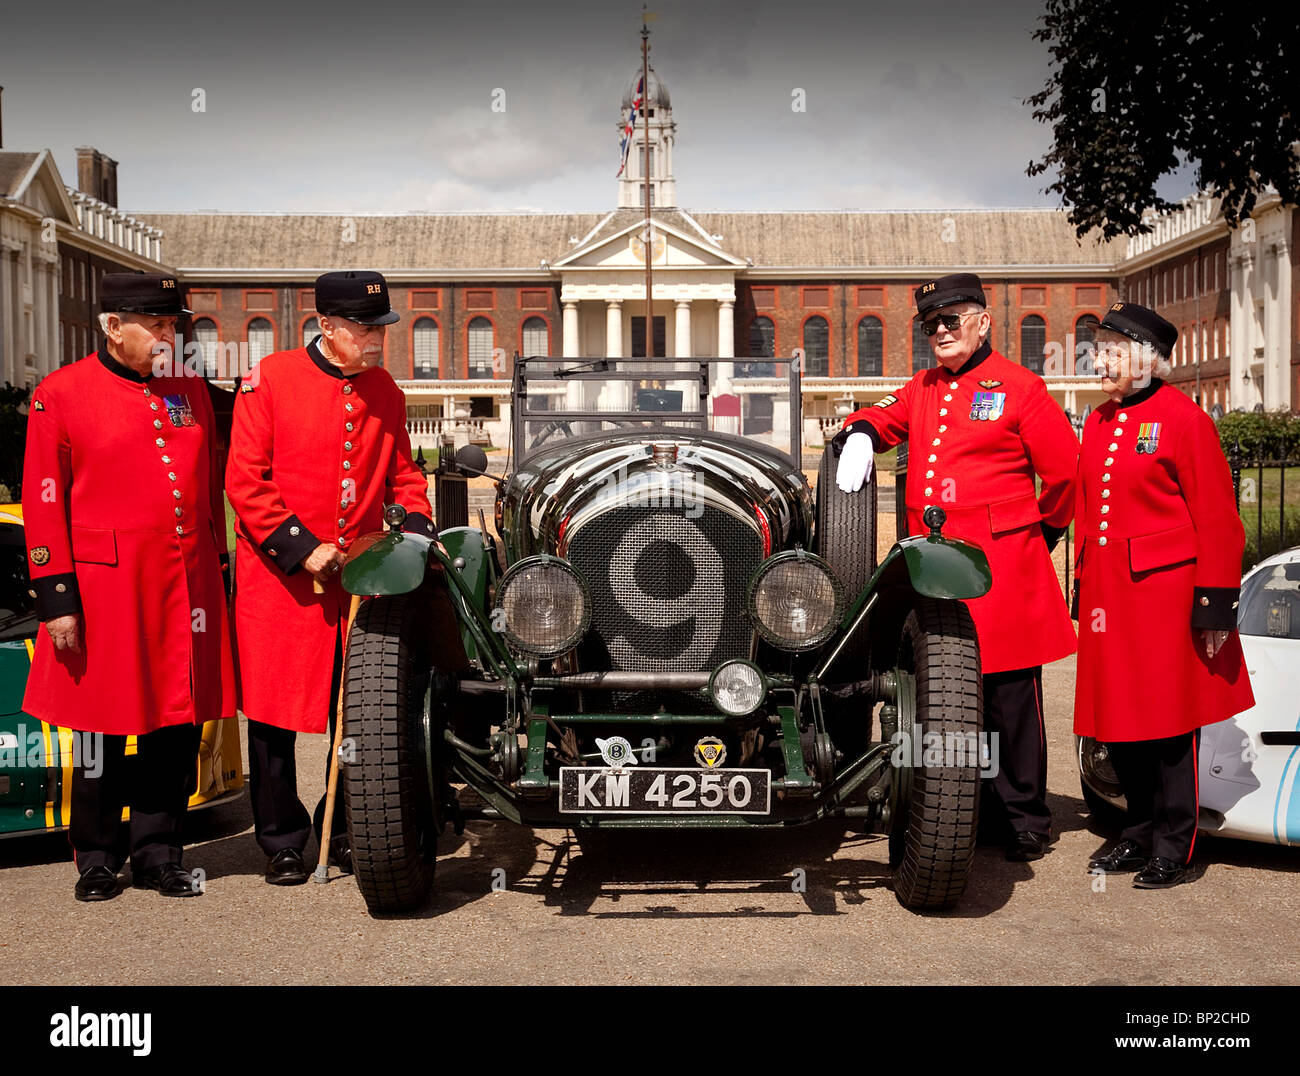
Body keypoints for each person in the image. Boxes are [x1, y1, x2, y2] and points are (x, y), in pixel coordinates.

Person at [833, 273, 1079, 861]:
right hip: (937, 572)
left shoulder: (1020, 387)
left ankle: (1025, 815)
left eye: (952, 319)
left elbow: (1067, 473)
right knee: (950, 694)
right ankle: (970, 806)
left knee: (1009, 694)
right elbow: (885, 415)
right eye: (931, 324)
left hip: (1001, 566)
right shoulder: (923, 386)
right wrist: (863, 431)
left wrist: (1039, 535)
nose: (940, 331)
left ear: (983, 322)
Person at [22, 272, 235, 900]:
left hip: (181, 586)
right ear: (114, 327)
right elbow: (42, 500)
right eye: (158, 326)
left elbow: (204, 489)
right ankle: (96, 855)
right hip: (103, 587)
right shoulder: (60, 395)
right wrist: (57, 597)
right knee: (101, 730)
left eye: (174, 326)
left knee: (174, 724)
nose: (170, 337)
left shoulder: (188, 389)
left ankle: (159, 853)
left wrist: (215, 570)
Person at [226, 270, 435, 885]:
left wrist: (415, 531)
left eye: (381, 328)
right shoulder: (269, 380)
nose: (376, 340)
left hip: (360, 579)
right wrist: (300, 545)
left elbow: (404, 475)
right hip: (281, 578)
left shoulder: (386, 390)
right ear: (326, 327)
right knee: (272, 719)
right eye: (365, 329)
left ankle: (344, 825)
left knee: (360, 709)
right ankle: (283, 839)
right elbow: (245, 480)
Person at [1075, 302, 1253, 889]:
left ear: (1146, 359)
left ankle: (1175, 845)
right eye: (1097, 349)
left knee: (1170, 726)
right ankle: (1140, 829)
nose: (1098, 360)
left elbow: (1219, 520)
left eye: (1110, 350)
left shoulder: (1184, 419)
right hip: (1110, 596)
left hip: (1167, 598)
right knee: (1118, 720)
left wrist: (1216, 604)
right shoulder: (1099, 421)